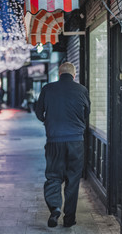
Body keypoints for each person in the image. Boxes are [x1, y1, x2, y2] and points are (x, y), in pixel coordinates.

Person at [35, 62, 90, 228]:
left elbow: (39, 113)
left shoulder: (47, 89)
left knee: (53, 176)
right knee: (73, 179)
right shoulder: (82, 90)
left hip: (54, 141)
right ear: (74, 75)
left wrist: (49, 122)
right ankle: (69, 218)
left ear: (59, 74)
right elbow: (86, 114)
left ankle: (55, 208)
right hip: (76, 142)